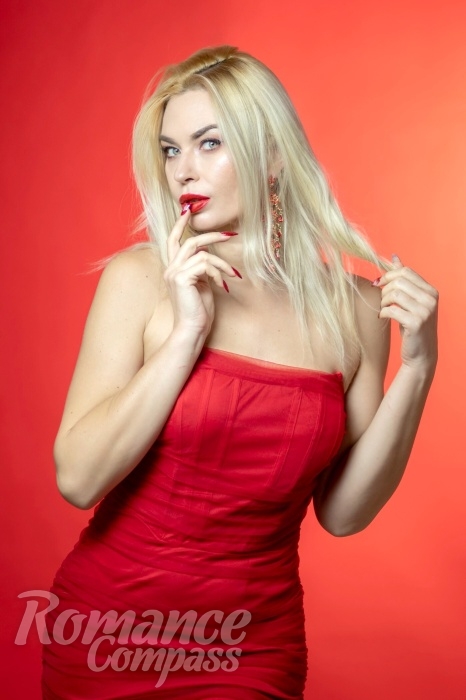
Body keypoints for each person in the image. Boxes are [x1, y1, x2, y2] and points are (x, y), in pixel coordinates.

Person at [41, 45, 438, 699]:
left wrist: (418, 369)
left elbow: (343, 514)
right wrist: (186, 334)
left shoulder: (358, 310)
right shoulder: (140, 280)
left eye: (209, 143)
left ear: (273, 155)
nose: (183, 170)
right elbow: (79, 480)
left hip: (252, 644)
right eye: (170, 150)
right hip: (105, 633)